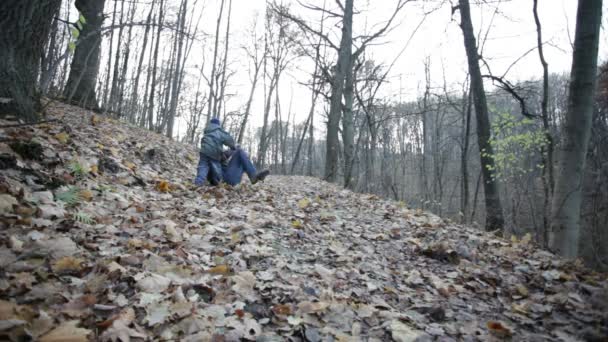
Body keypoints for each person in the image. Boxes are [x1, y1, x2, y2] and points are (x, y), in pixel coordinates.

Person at [194, 117, 235, 186]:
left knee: (203, 166)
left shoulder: (207, 130)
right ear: (218, 124)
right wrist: (233, 147)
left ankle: (198, 182)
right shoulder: (220, 131)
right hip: (215, 152)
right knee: (216, 167)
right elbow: (230, 141)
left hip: (204, 151)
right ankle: (217, 180)